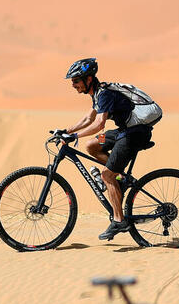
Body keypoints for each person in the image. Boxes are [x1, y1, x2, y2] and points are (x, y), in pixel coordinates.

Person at [60, 58, 157, 241]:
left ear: (88, 79)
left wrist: (74, 137)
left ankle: (119, 220)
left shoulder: (104, 94)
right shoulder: (97, 93)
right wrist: (66, 131)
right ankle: (120, 178)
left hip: (134, 134)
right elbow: (88, 119)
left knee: (106, 175)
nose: (73, 85)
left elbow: (99, 124)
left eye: (76, 80)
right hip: (121, 132)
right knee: (92, 145)